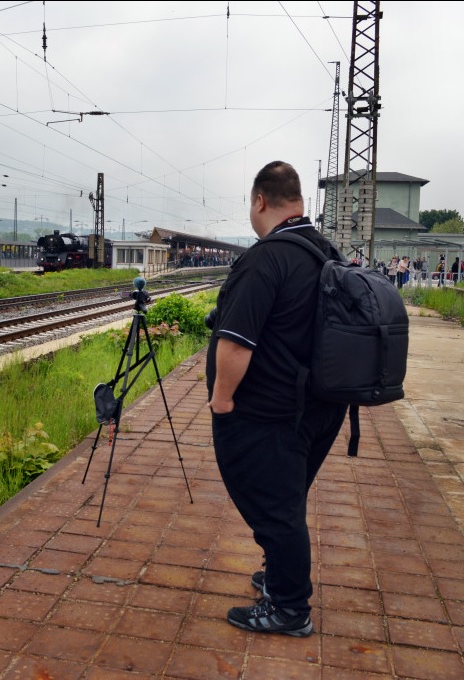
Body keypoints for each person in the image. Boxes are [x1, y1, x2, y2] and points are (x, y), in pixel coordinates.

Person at [206, 161, 348, 637]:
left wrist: (221, 401)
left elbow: (235, 343)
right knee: (286, 500)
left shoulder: (266, 259)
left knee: (275, 510)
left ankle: (289, 607)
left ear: (261, 201)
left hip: (271, 413)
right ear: (299, 201)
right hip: (321, 407)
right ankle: (280, 578)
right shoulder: (323, 250)